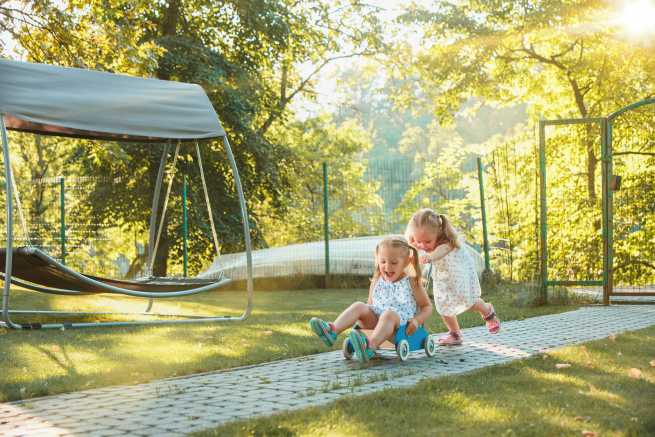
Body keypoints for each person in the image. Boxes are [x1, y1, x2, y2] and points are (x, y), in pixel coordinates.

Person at [309, 235, 432, 362]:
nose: (387, 267)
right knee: (359, 306)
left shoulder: (411, 282)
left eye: (394, 263)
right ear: (377, 260)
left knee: (388, 314)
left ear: (406, 261)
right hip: (377, 323)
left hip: (400, 326)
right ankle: (332, 331)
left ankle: (370, 347)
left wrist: (417, 321)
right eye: (383, 262)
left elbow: (427, 307)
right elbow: (370, 305)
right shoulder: (377, 281)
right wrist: (362, 319)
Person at [406, 208, 500, 346]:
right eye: (419, 241)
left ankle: (487, 311)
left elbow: (439, 252)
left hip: (459, 274)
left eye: (427, 242)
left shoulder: (447, 242)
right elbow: (413, 247)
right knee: (442, 304)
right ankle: (455, 334)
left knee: (468, 301)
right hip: (443, 277)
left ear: (438, 233)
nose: (422, 245)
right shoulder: (422, 241)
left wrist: (429, 257)